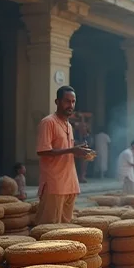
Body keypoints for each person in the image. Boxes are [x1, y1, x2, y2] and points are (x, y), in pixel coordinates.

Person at [35, 86, 91, 224]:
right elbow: (42, 151)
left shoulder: (69, 125)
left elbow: (65, 150)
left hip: (71, 184)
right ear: (57, 102)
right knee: (48, 229)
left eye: (73, 102)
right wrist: (72, 150)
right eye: (67, 101)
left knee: (65, 230)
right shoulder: (48, 122)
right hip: (54, 184)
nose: (70, 105)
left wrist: (78, 152)